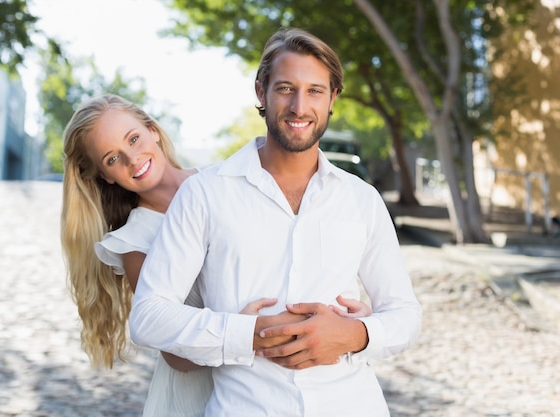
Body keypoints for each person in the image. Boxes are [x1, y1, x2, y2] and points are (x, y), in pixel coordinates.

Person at [129, 27, 422, 417]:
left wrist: (355, 334)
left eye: (315, 91)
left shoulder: (361, 200)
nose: (300, 106)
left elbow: (405, 314)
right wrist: (248, 335)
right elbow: (148, 317)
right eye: (286, 88)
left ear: (333, 98)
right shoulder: (204, 194)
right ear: (260, 92)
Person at [60, 93, 371, 417]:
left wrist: (349, 313)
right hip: (203, 395)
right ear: (105, 176)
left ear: (152, 130)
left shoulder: (225, 183)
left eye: (134, 139)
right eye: (112, 159)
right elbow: (174, 355)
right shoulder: (136, 243)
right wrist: (242, 332)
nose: (133, 158)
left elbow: (289, 256)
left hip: (271, 387)